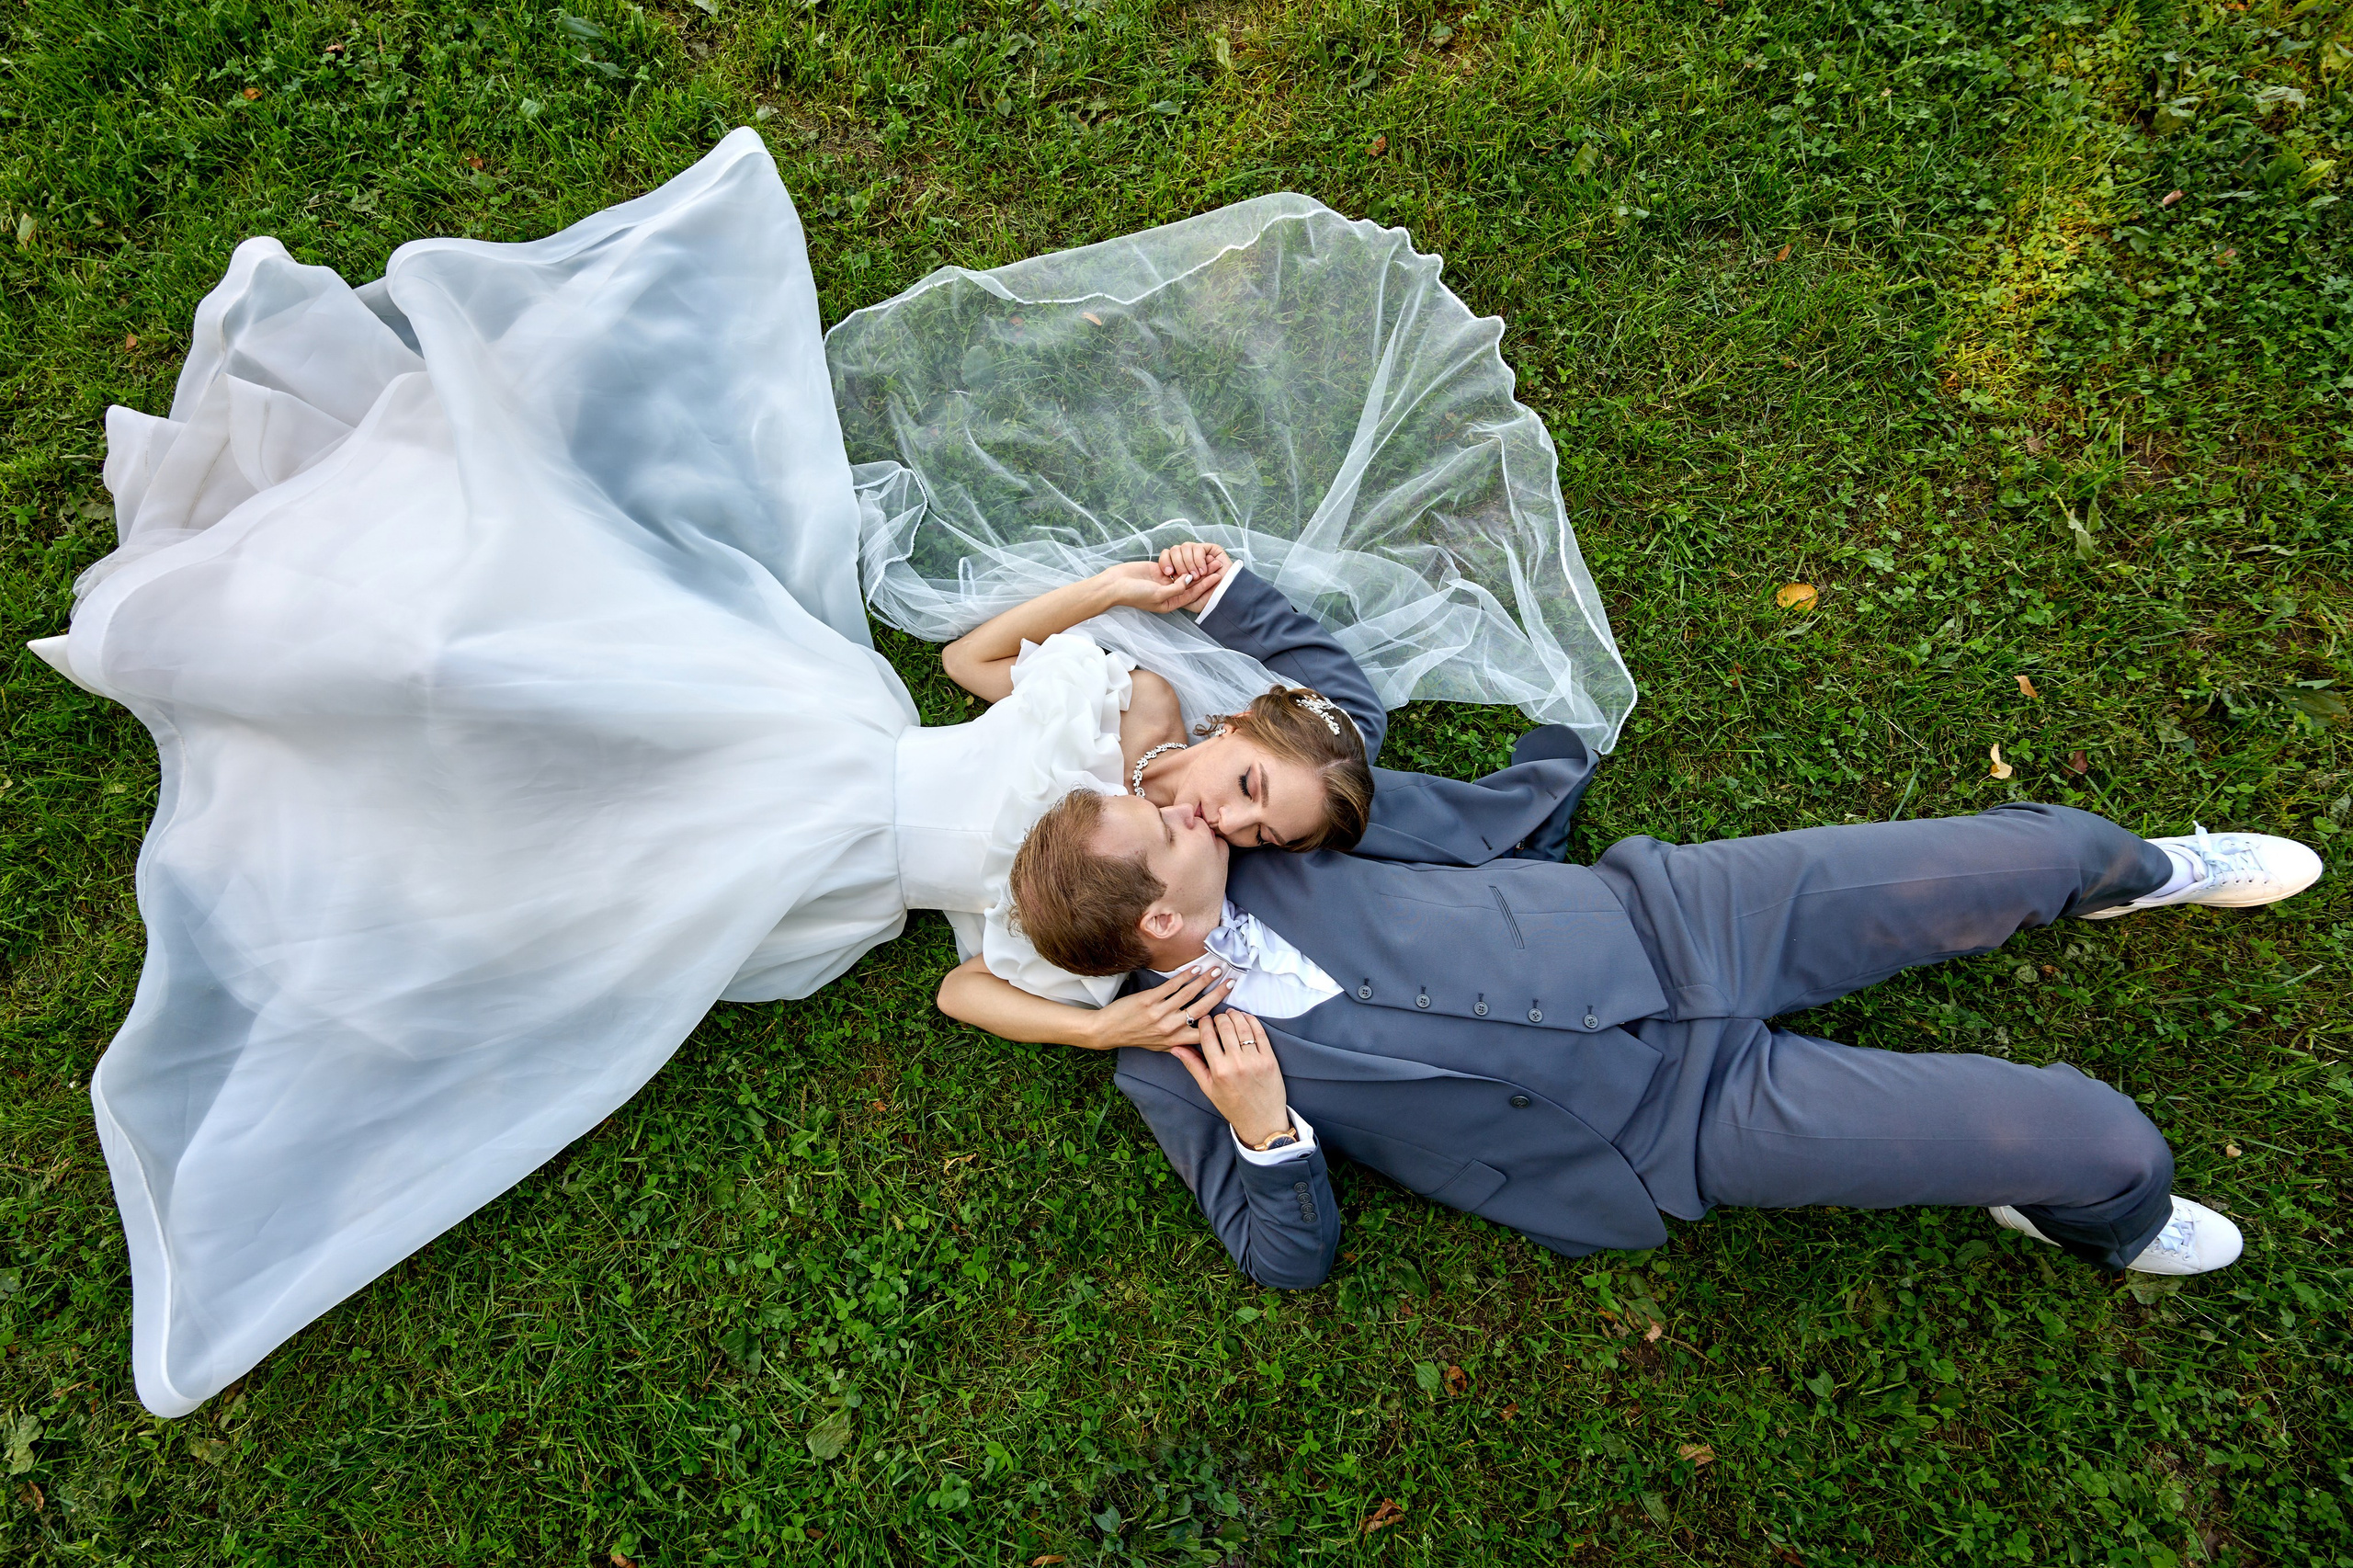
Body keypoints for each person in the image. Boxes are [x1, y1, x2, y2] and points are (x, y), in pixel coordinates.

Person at [26, 133, 1631, 1415]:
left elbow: (958, 1001)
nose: (1207, 817)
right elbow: (970, 668)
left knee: (550, 888)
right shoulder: (1099, 728)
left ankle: (379, 835)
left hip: (819, 875)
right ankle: (353, 661)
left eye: (1227, 819)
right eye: (1221, 795)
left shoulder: (1069, 939)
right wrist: (1118, 596)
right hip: (818, 736)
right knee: (538, 668)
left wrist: (1104, 1025)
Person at [945, 787, 2325, 1287]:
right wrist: (1269, 1131)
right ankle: (2088, 1215)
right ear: (1158, 928)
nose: (1192, 815)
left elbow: (1340, 733)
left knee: (2037, 850)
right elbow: (1282, 1258)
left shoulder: (1268, 840)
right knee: (2099, 1144)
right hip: (1668, 1120)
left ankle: (2144, 871)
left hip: (1683, 918)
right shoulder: (1161, 1058)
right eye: (1164, 833)